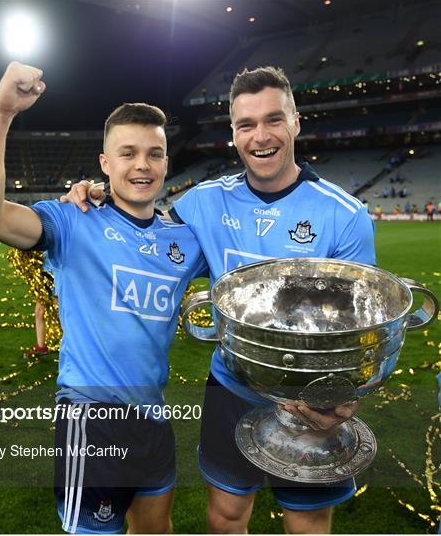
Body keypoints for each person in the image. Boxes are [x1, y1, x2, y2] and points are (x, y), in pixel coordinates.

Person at [65, 66, 376, 534]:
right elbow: (145, 232)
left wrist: (348, 392)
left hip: (310, 401)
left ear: (295, 122)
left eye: (273, 120)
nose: (260, 135)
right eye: (246, 125)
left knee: (308, 521)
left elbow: (367, 327)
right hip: (232, 391)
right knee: (226, 517)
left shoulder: (345, 216)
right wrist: (98, 196)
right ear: (233, 134)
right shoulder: (203, 203)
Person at [0, 62, 208, 534]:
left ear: (167, 163)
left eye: (155, 154)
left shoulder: (186, 242)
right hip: (92, 419)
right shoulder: (73, 221)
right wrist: (2, 111)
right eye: (128, 153)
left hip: (154, 416)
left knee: (157, 530)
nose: (142, 165)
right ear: (104, 162)